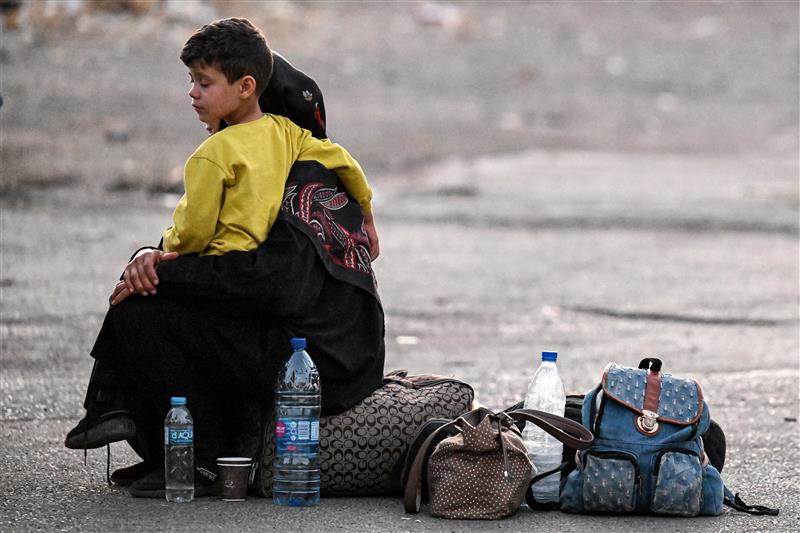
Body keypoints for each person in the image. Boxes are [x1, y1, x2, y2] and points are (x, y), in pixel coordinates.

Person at [64, 18, 385, 498]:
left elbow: (268, 283)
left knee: (143, 311)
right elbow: (228, 257)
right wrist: (154, 260)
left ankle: (198, 460)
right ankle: (158, 446)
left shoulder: (295, 180)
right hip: (321, 344)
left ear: (250, 92)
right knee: (153, 289)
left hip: (323, 364)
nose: (196, 96)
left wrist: (163, 269)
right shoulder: (303, 157)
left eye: (205, 84)